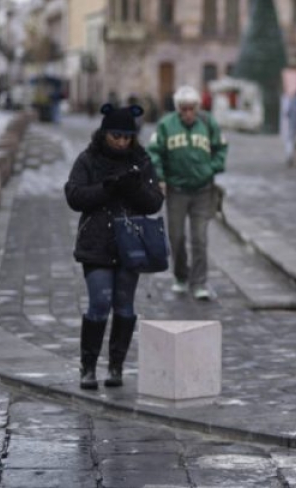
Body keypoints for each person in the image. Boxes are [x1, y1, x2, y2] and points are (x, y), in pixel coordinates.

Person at [64, 104, 164, 390]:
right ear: (105, 133)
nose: (121, 142)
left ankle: (116, 366)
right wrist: (106, 188)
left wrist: (133, 188)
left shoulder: (141, 160)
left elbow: (155, 201)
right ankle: (88, 367)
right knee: (99, 303)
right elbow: (73, 195)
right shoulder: (89, 159)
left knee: (124, 305)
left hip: (130, 244)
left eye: (126, 137)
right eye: (116, 135)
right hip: (96, 242)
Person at [147, 85, 228, 300]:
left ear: (198, 107)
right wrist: (161, 177)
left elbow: (221, 148)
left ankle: (199, 282)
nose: (188, 113)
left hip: (203, 190)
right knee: (177, 237)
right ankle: (181, 276)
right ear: (177, 109)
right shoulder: (166, 125)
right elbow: (154, 153)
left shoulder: (208, 123)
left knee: (199, 238)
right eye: (184, 109)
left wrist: (211, 168)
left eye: (192, 108)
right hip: (176, 191)